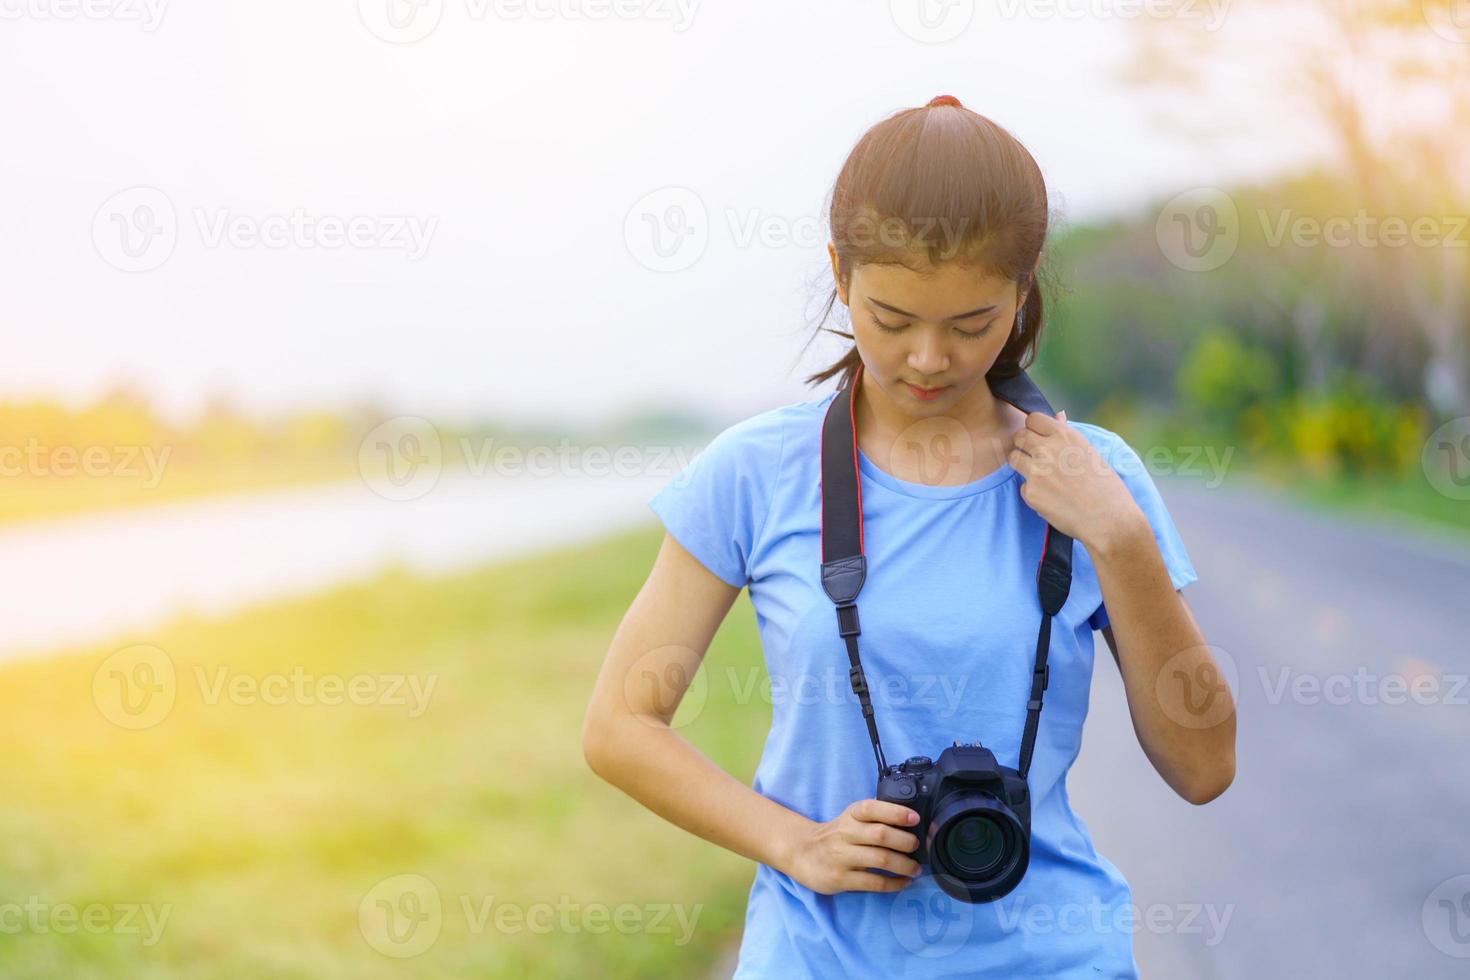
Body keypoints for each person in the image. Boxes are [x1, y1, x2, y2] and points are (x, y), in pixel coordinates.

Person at [582, 94, 1236, 978]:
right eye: (890, 320)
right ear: (839, 275)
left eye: (971, 324)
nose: (929, 358)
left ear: (1024, 287)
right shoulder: (755, 473)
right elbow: (619, 724)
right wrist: (797, 843)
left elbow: (1204, 767)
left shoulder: (1096, 475)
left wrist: (1119, 538)